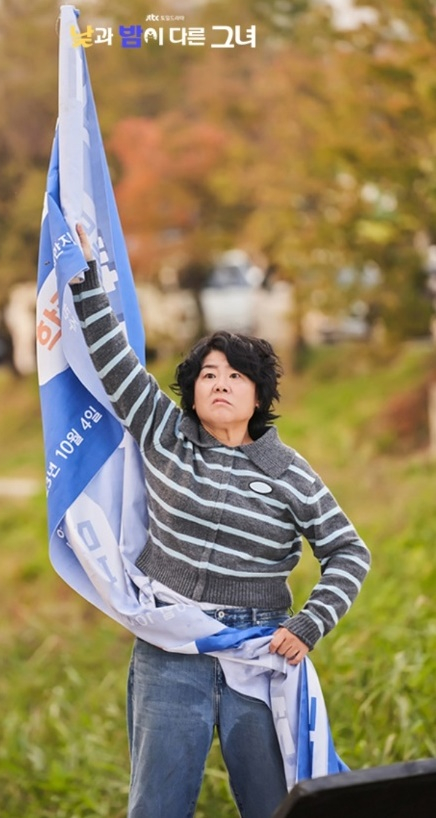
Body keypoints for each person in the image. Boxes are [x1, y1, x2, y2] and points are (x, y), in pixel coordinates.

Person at [69, 224, 371, 818]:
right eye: (209, 374)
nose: (221, 384)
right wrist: (83, 279)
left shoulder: (289, 472)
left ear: (258, 395)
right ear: (192, 390)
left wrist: (309, 624)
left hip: (259, 653)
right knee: (156, 807)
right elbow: (113, 359)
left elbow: (348, 552)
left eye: (236, 376)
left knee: (274, 807)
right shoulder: (163, 431)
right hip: (169, 646)